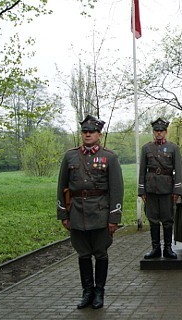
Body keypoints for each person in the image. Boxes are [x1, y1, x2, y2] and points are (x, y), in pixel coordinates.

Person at [56, 115, 123, 309]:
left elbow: (116, 190)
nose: (87, 135)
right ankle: (87, 292)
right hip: (77, 212)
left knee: (100, 254)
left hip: (101, 213)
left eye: (91, 132)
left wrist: (114, 218)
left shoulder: (109, 157)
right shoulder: (70, 156)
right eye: (85, 132)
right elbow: (62, 187)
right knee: (83, 254)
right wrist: (63, 214)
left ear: (99, 135)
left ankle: (99, 292)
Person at [139, 118, 182, 260]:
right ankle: (155, 248)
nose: (159, 133)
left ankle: (168, 248)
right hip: (151, 188)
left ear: (166, 132)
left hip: (167, 188)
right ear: (153, 132)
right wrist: (142, 190)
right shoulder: (146, 148)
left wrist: (177, 190)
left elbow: (178, 170)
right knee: (152, 219)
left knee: (167, 219)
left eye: (161, 131)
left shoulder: (173, 148)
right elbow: (142, 171)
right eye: (156, 131)